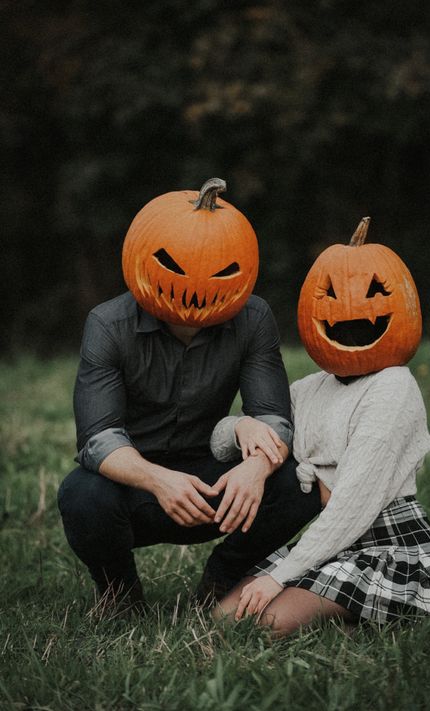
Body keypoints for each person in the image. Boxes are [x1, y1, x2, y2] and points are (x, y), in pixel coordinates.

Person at [57, 178, 321, 612]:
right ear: (143, 256)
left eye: (221, 270)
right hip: (136, 487)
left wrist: (255, 468)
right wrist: (159, 480)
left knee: (301, 479)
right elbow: (97, 438)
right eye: (174, 265)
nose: (196, 283)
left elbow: (274, 417)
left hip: (214, 481)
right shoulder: (107, 324)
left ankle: (223, 576)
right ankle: (119, 593)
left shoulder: (253, 318)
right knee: (82, 494)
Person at [211, 218, 430, 634]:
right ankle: (346, 617)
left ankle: (364, 620)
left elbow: (353, 506)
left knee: (267, 623)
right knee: (224, 620)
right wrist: (241, 428)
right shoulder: (311, 390)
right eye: (330, 296)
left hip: (389, 544)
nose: (350, 309)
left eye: (373, 295)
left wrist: (279, 575)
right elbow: (220, 441)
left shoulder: (393, 386)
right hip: (329, 543)